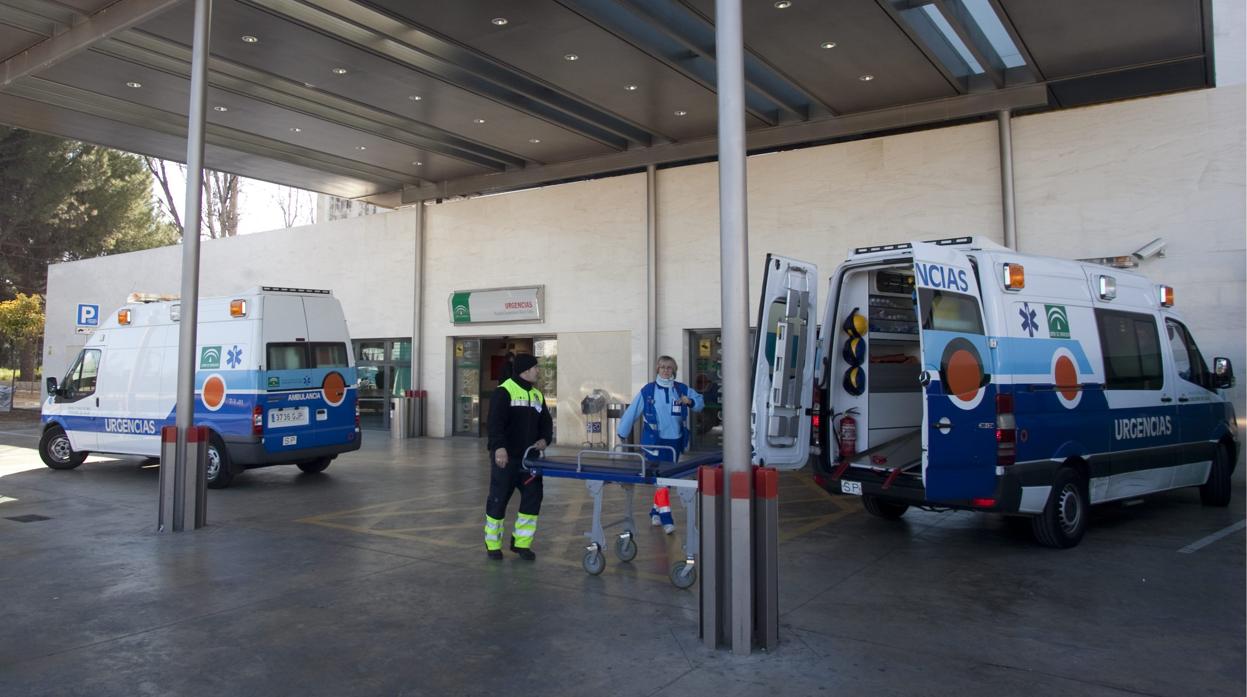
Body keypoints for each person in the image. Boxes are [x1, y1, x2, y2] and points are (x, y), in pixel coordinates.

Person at [617, 355, 704, 534]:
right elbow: (632, 411)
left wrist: (690, 401)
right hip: (654, 443)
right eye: (663, 367)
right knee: (663, 480)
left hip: (675, 443)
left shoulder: (681, 389)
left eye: (669, 367)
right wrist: (622, 432)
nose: (665, 370)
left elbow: (700, 404)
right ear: (657, 369)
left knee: (665, 480)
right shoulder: (648, 391)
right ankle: (666, 518)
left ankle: (655, 512)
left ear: (674, 370)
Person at [483, 353, 552, 561]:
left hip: (530, 460)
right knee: (498, 500)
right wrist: (499, 448)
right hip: (507, 459)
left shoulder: (537, 395)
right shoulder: (504, 391)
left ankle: (521, 544)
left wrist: (545, 439)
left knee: (533, 499)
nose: (538, 371)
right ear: (525, 370)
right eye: (535, 368)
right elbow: (494, 423)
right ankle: (493, 545)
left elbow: (546, 424)